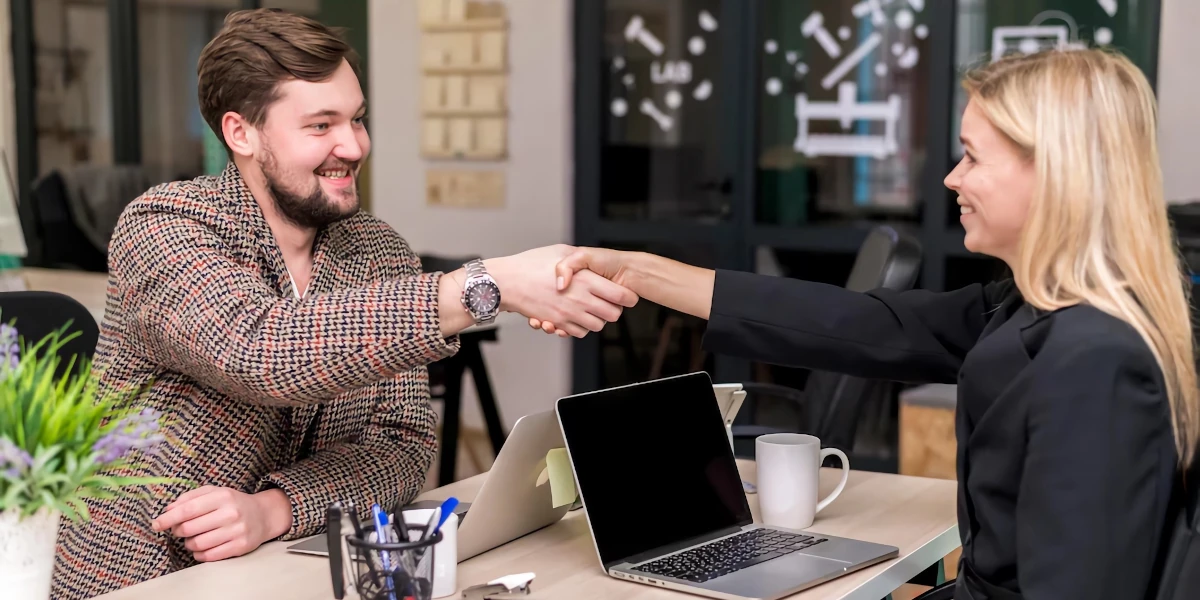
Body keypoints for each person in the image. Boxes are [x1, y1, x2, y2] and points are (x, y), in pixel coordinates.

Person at [537, 48, 1198, 599]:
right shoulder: (1031, 306)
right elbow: (862, 321)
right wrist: (641, 272)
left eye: (971, 156)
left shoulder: (1095, 357)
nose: (950, 177)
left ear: (1055, 173)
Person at [51, 9, 635, 600]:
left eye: (356, 119)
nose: (354, 145)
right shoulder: (165, 226)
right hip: (143, 576)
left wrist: (275, 508)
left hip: (289, 565)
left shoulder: (377, 250)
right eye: (321, 125)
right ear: (241, 133)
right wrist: (487, 286)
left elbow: (402, 449)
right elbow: (263, 351)